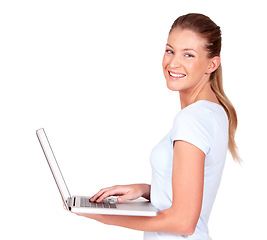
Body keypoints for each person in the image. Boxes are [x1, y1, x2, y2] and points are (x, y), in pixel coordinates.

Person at [74, 13, 240, 240]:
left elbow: (183, 223)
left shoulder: (192, 120)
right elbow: (192, 195)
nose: (173, 63)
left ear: (212, 64)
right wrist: (145, 190)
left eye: (188, 55)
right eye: (170, 50)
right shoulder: (214, 111)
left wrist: (102, 216)